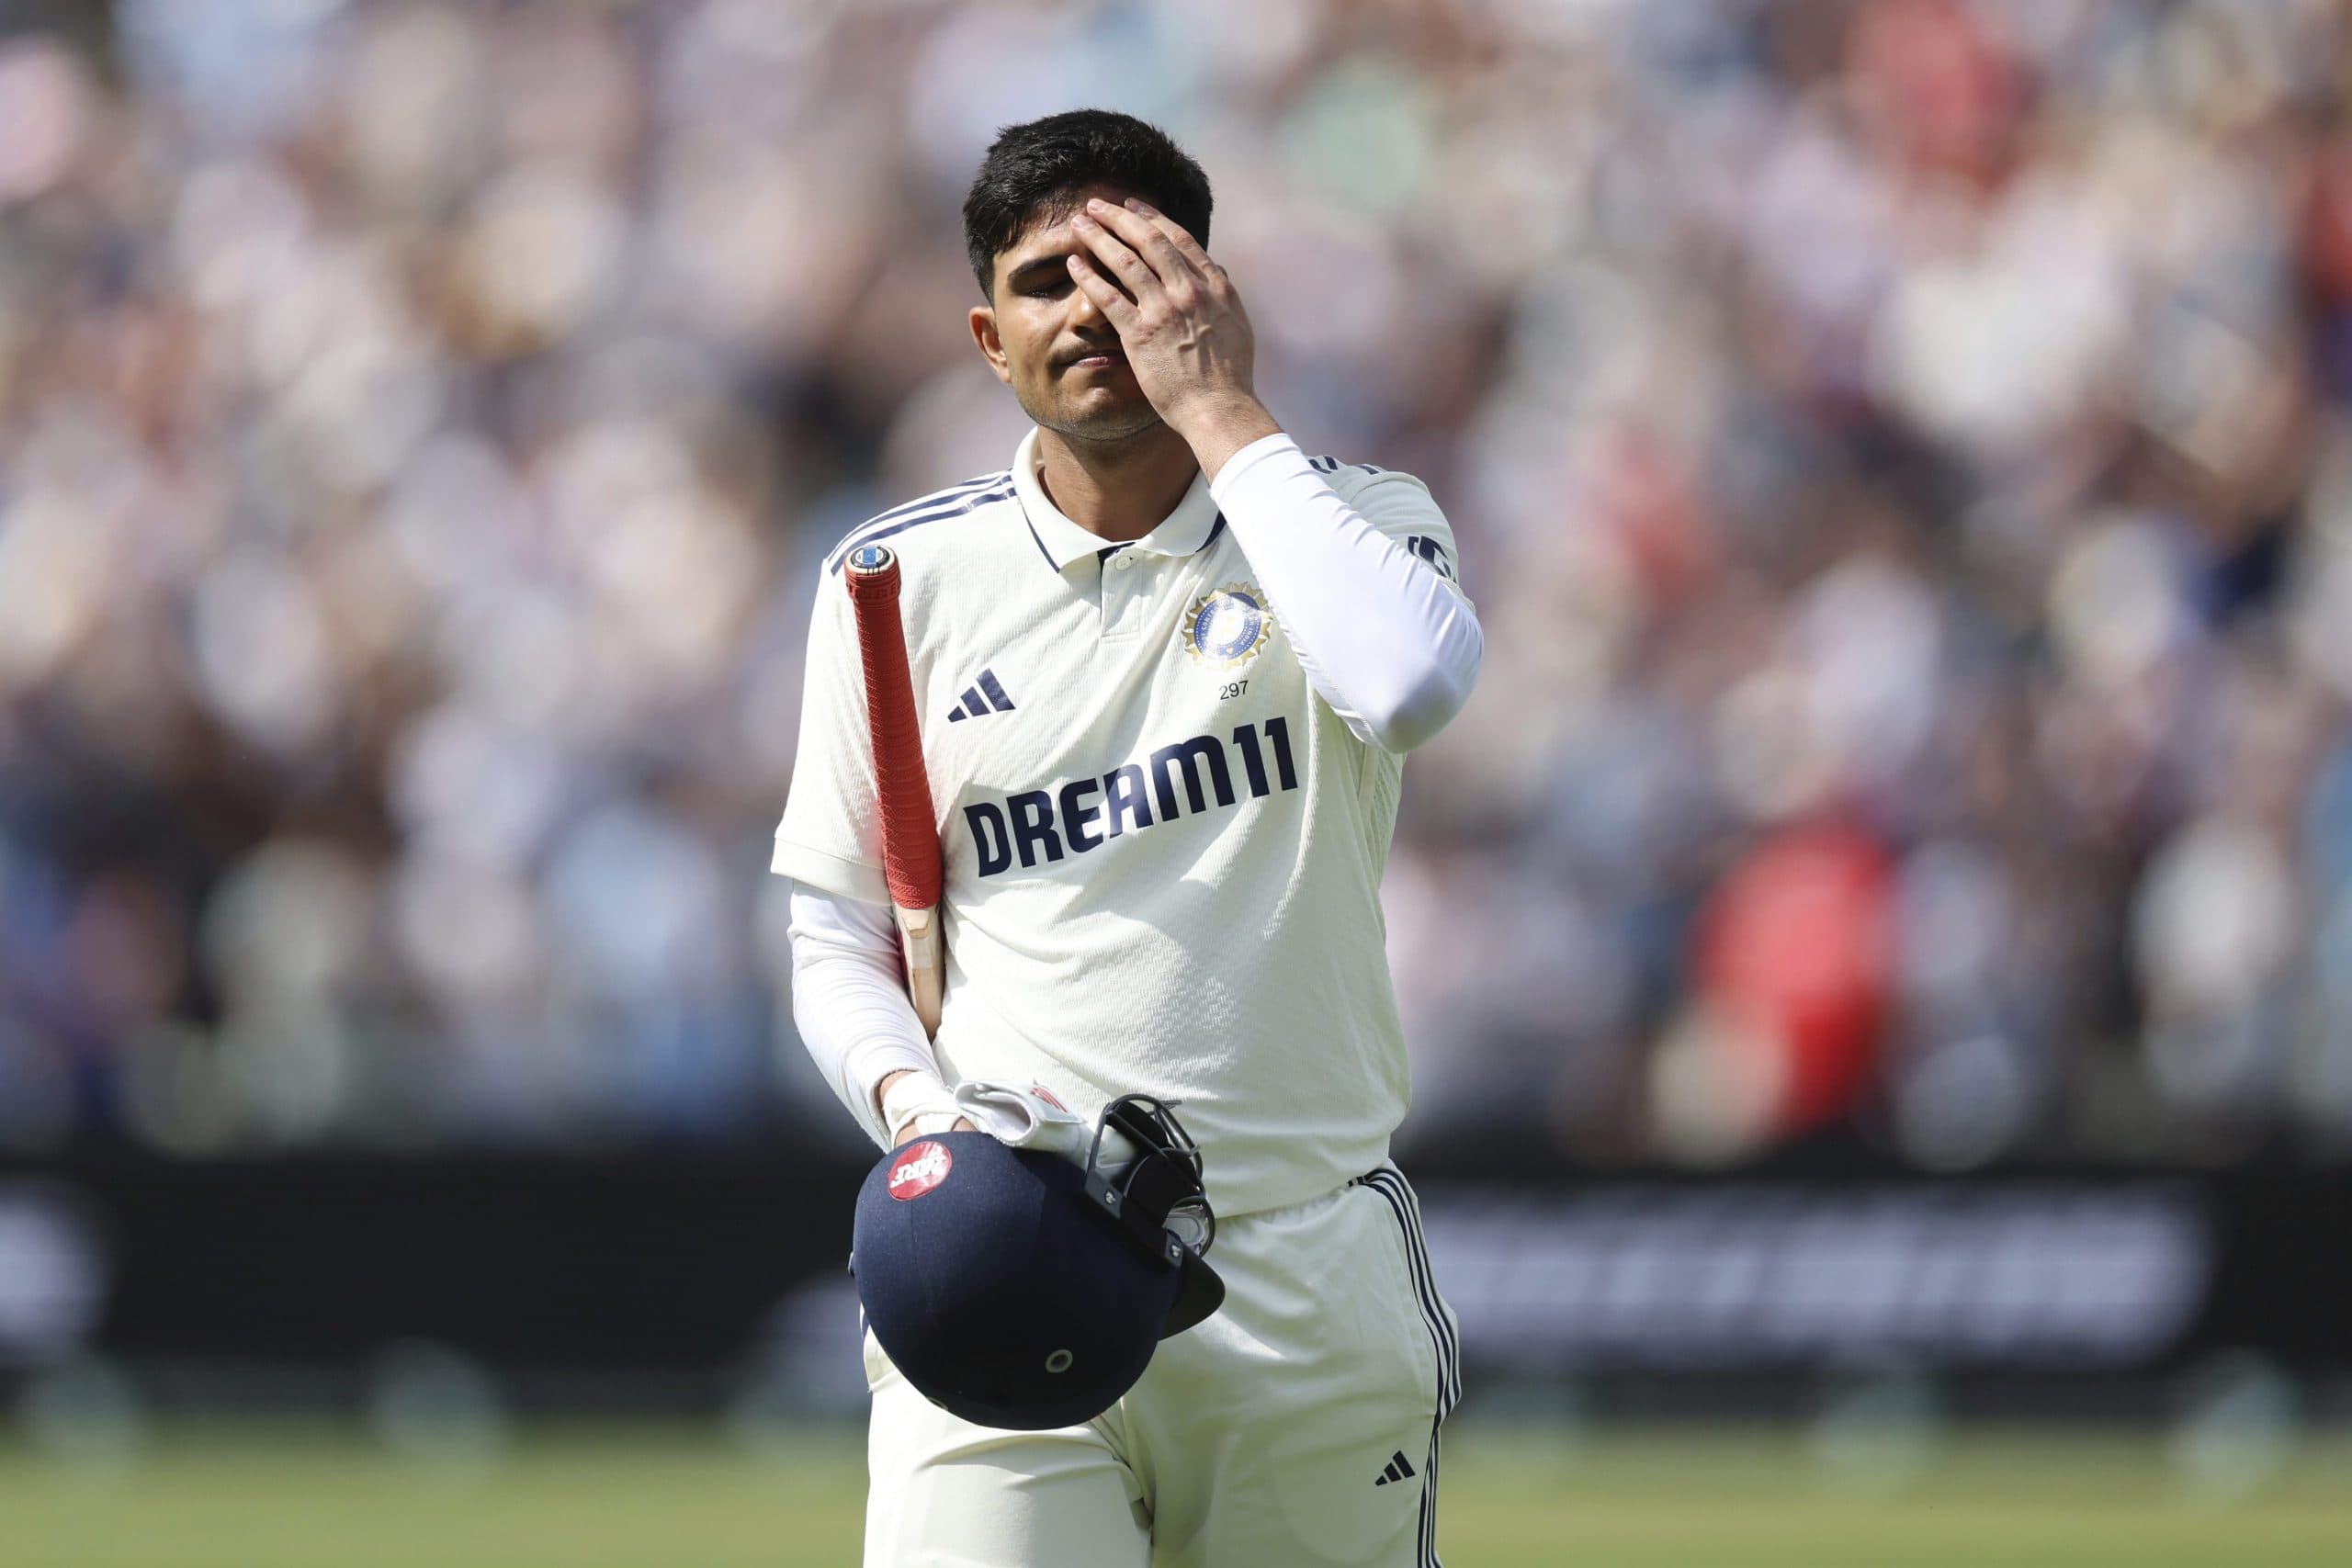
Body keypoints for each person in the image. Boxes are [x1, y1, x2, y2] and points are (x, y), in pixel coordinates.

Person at [773, 107, 1482, 1568]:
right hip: (1013, 1248)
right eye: (1046, 282)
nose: (1090, 311)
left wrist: (1220, 407)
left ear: (1207, 294)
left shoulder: (1355, 523)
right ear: (989, 340)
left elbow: (1409, 686)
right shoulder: (893, 584)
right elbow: (834, 935)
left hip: (1303, 1260)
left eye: (1133, 272)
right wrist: (926, 1126)